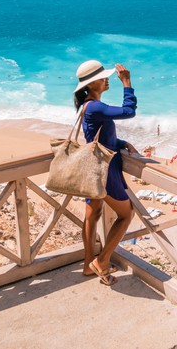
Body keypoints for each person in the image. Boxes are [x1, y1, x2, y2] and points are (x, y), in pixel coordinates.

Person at [74, 60, 139, 286]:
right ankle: (101, 262)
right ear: (92, 84)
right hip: (105, 171)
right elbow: (128, 111)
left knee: (92, 215)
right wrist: (127, 83)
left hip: (92, 169)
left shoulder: (88, 107)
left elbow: (96, 136)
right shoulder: (94, 106)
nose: (107, 79)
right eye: (103, 77)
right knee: (126, 215)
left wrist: (122, 142)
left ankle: (87, 264)